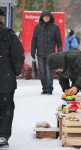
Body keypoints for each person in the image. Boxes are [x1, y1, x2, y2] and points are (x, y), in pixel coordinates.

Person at [0, 8, 25, 148]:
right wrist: (15, 72)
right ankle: (2, 136)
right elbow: (18, 54)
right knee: (6, 108)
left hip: (5, 77)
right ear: (2, 18)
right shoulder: (9, 34)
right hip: (5, 79)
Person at [31, 10, 62, 95]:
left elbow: (59, 42)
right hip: (40, 53)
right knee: (42, 72)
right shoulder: (37, 27)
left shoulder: (55, 27)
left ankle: (49, 88)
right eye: (44, 16)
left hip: (51, 54)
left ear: (50, 17)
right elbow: (34, 40)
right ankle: (44, 88)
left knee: (49, 71)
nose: (46, 18)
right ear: (42, 17)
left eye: (48, 16)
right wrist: (32, 51)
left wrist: (59, 53)